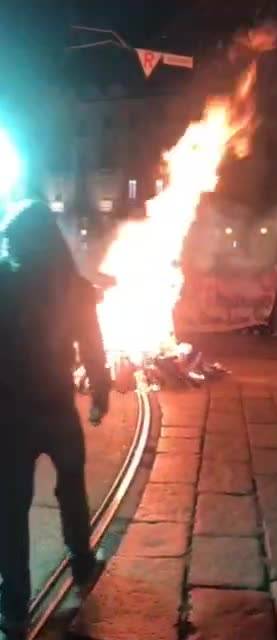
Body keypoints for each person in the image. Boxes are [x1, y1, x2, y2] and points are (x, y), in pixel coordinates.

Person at [0, 199, 110, 638]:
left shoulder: (4, 282)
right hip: (58, 407)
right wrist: (100, 392)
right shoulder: (76, 287)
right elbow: (93, 347)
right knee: (72, 488)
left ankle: (13, 606)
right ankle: (82, 563)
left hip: (11, 412)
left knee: (10, 509)